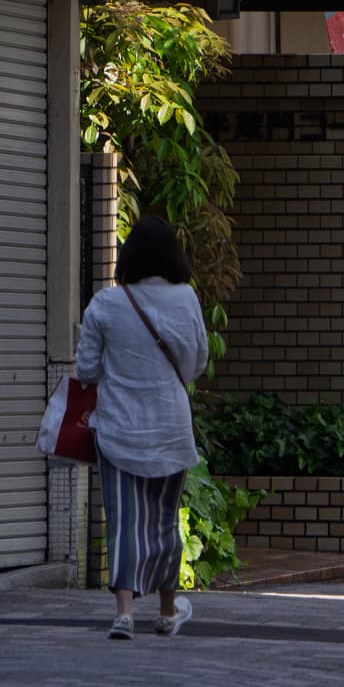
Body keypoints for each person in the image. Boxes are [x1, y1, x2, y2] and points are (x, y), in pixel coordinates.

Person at [73, 214, 211, 641]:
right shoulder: (186, 299)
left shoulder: (105, 304)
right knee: (164, 523)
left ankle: (124, 612)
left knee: (124, 520)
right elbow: (196, 363)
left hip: (118, 430)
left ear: (128, 256)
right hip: (169, 428)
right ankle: (168, 612)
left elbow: (86, 369)